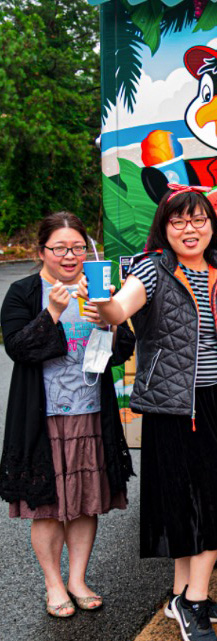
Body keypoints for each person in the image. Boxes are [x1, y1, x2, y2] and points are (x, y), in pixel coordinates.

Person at [94, 185, 217, 641]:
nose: (191, 229)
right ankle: (195, 601)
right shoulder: (151, 269)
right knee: (205, 502)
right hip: (171, 407)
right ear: (164, 229)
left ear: (213, 225)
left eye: (199, 220)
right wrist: (102, 307)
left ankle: (181, 593)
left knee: (210, 497)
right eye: (179, 221)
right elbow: (120, 307)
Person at [1, 212, 134, 618]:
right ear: (42, 251)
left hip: (92, 412)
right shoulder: (24, 292)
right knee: (46, 506)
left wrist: (109, 321)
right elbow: (18, 348)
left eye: (78, 247)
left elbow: (124, 348)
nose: (70, 255)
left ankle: (77, 578)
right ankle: (53, 584)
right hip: (42, 419)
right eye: (60, 248)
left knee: (84, 503)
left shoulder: (96, 290)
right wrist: (52, 314)